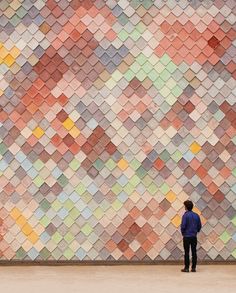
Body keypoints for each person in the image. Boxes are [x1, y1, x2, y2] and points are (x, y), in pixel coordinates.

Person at [181, 200, 202, 272]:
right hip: (194, 236)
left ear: (186, 207)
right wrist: (196, 231)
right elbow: (199, 226)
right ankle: (193, 268)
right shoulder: (196, 215)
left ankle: (186, 268)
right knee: (194, 252)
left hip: (186, 236)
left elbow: (183, 226)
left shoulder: (185, 215)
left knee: (186, 252)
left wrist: (183, 233)